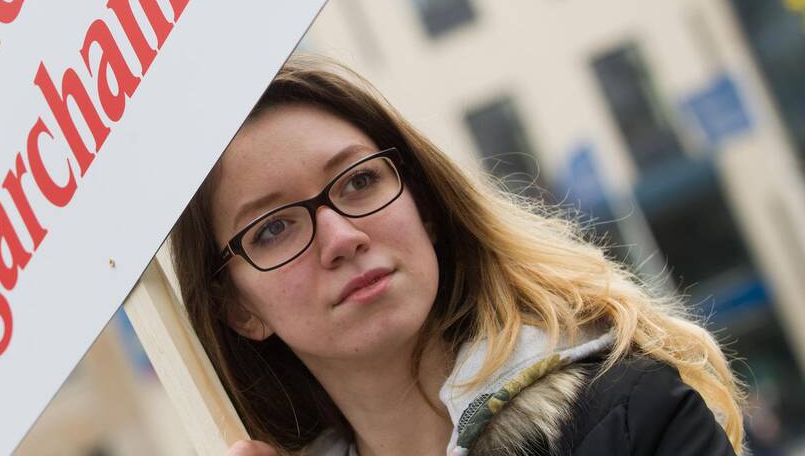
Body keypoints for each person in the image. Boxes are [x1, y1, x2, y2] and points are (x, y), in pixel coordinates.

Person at [170, 54, 745, 456]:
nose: (343, 237)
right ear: (240, 310)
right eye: (273, 229)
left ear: (423, 206)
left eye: (359, 182)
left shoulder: (632, 415)